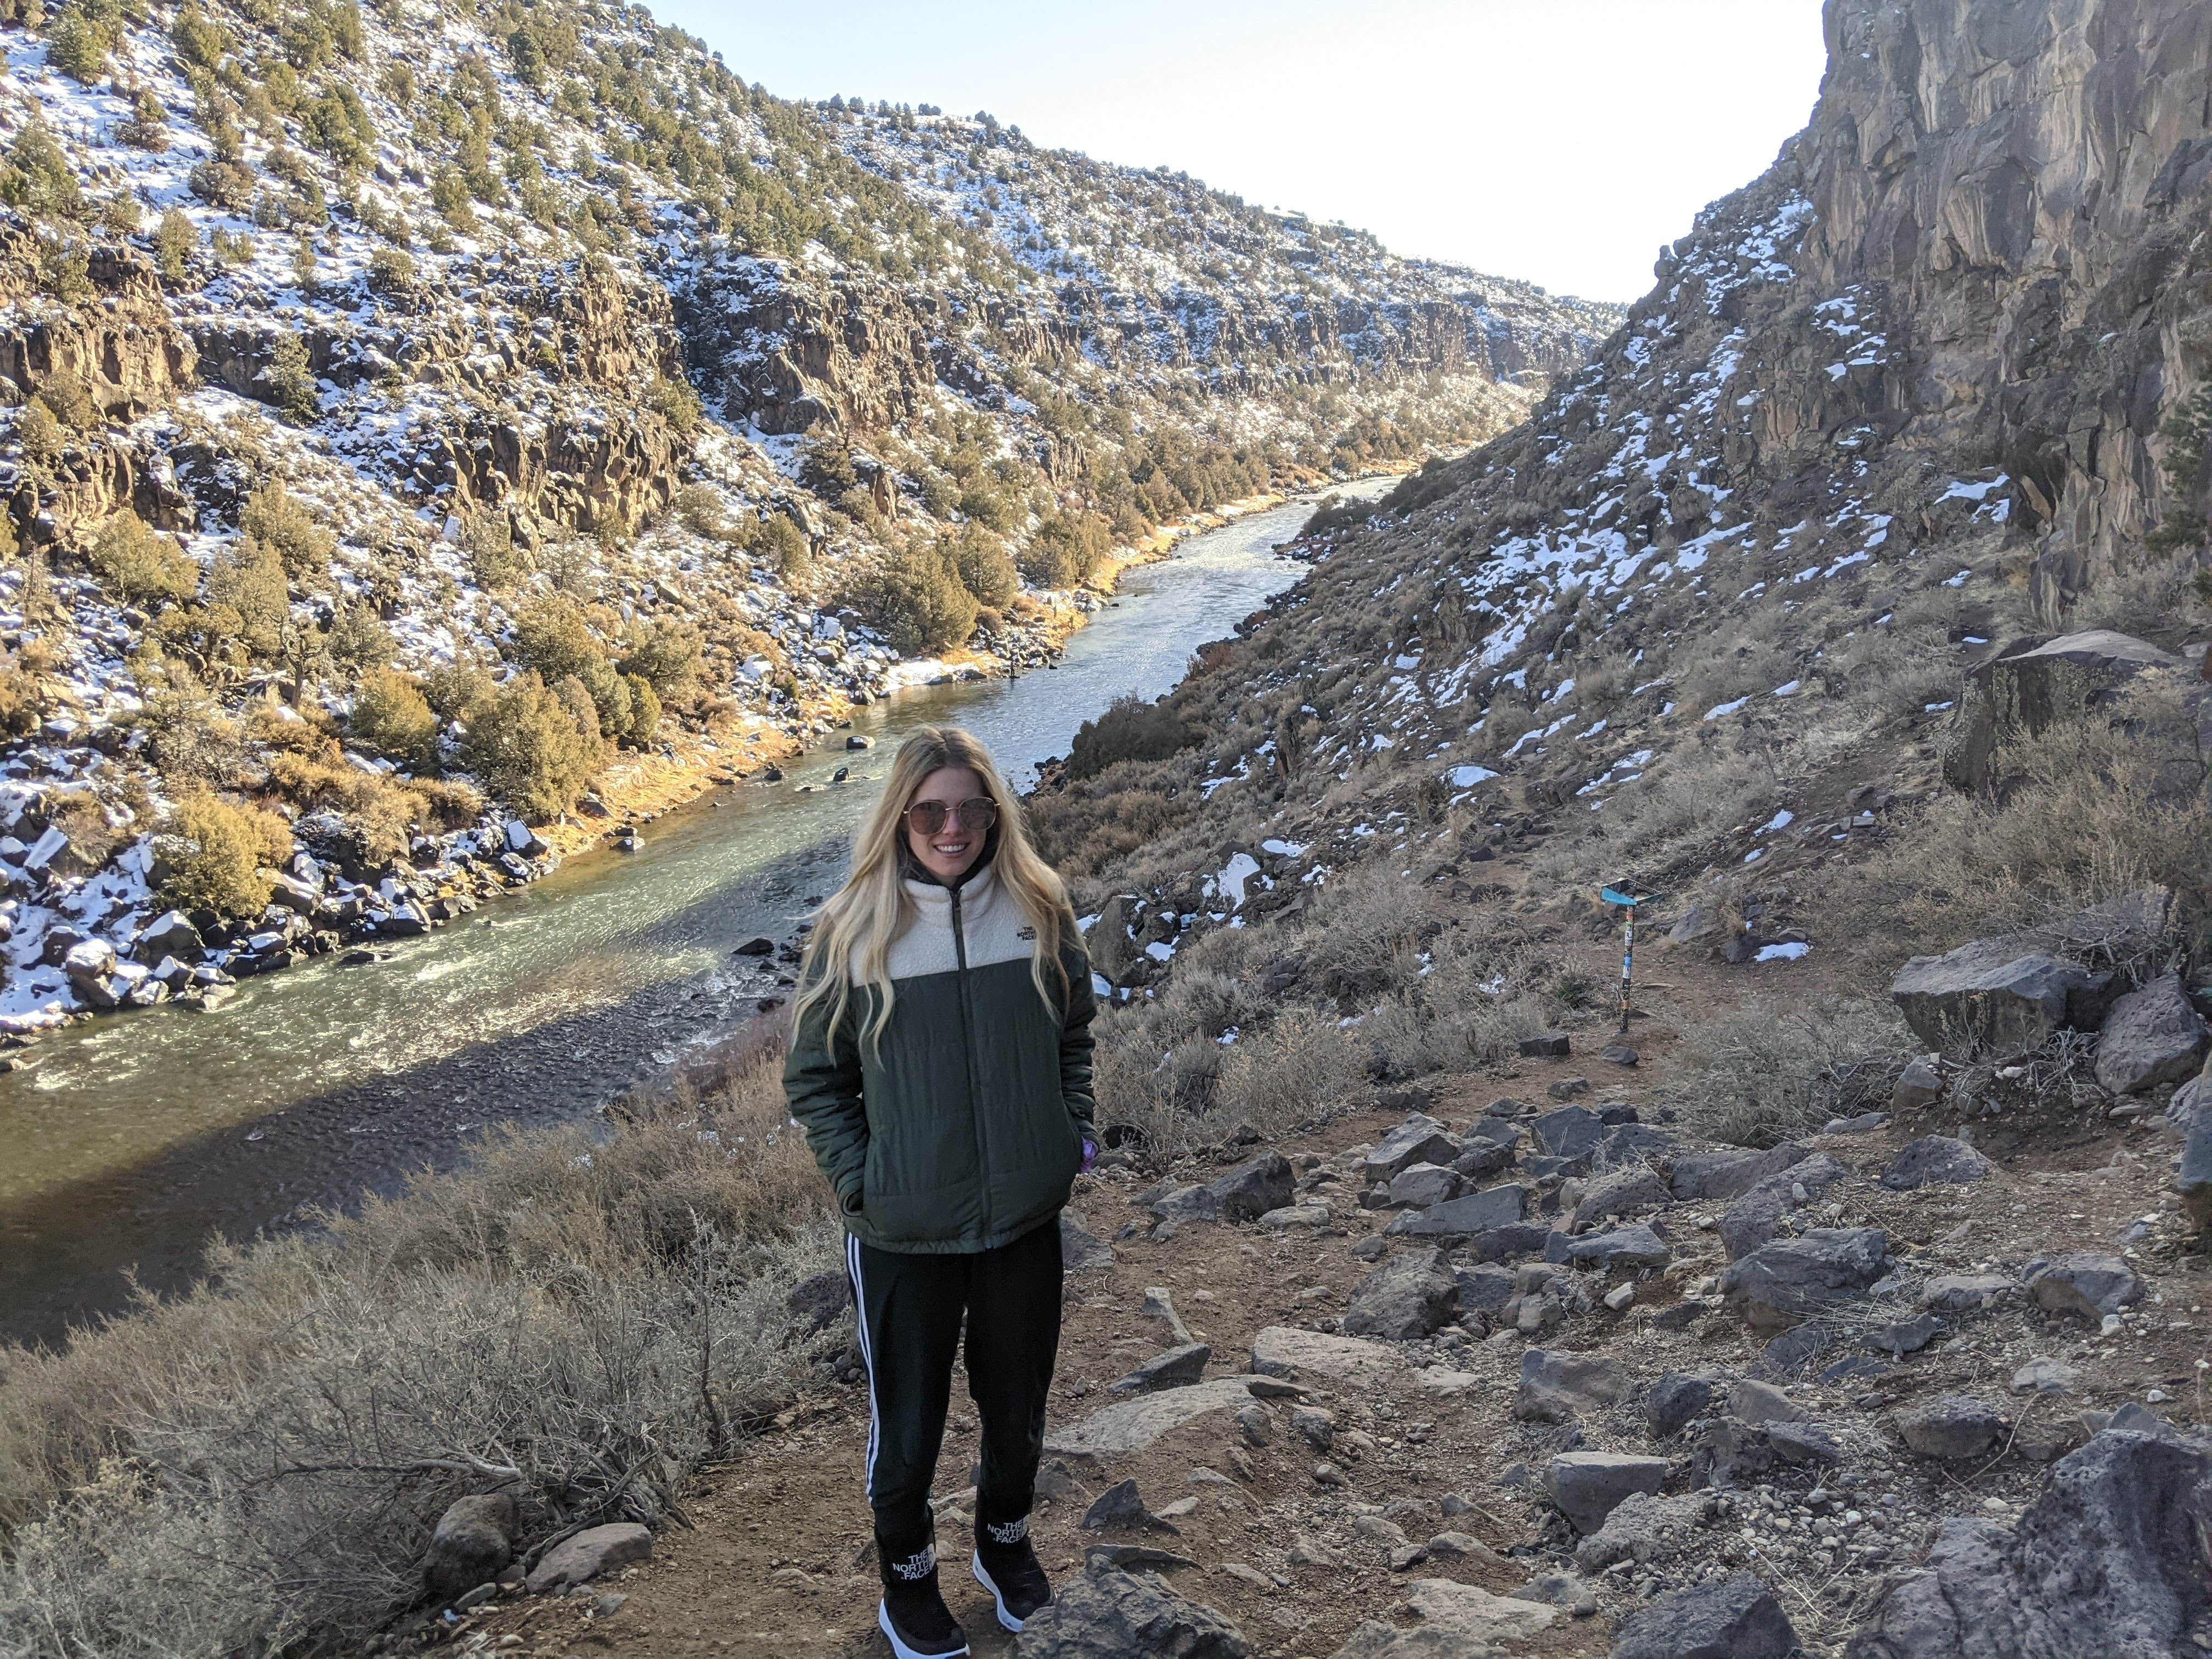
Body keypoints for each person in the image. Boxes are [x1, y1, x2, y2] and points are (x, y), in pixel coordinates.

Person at [785, 725, 1096, 1659]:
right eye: (931, 811)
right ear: (901, 818)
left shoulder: (1038, 908)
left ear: (994, 812)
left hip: (1022, 1220)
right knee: (909, 1425)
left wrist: (1068, 1134)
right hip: (901, 1231)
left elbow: (1073, 1036)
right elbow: (816, 1080)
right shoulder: (854, 930)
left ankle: (1005, 1548)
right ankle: (908, 1581)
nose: (951, 828)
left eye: (970, 808)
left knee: (1018, 1406)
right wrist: (862, 1182)